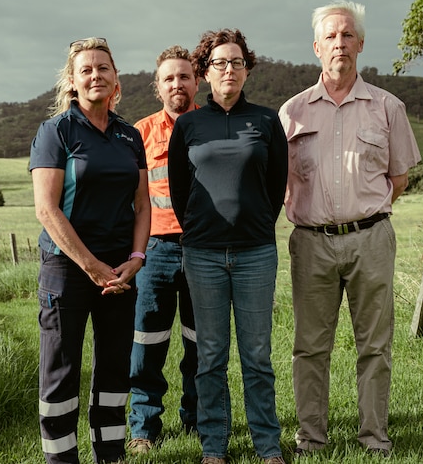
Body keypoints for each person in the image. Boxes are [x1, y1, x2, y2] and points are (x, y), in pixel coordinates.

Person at [278, 0, 421, 458]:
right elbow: (280, 183)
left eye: (347, 35)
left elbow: (398, 178)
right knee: (309, 349)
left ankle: (374, 439)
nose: (340, 43)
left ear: (360, 43)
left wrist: (362, 217)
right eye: (331, 37)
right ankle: (311, 440)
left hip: (371, 240)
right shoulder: (291, 112)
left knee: (375, 347)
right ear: (317, 47)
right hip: (311, 244)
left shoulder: (388, 107)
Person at [168, 28, 288, 464]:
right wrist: (200, 232)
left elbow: (276, 186)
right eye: (220, 62)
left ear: (247, 68)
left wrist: (254, 226)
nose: (229, 69)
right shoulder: (188, 125)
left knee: (257, 355)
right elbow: (181, 191)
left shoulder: (267, 121)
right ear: (205, 71)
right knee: (211, 356)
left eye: (237, 62)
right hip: (202, 255)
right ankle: (213, 446)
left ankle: (267, 445)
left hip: (256, 253)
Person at [29, 36, 150, 464]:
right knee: (61, 374)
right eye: (86, 70)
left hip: (119, 272)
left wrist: (135, 259)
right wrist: (92, 266)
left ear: (116, 79)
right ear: (73, 81)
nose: (95, 75)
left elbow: (142, 203)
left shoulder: (129, 136)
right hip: (67, 269)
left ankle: (111, 457)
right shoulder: (56, 131)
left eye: (103, 68)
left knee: (116, 369)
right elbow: (46, 209)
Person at [127, 45, 200, 455]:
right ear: (158, 87)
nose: (177, 84)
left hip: (203, 251)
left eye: (184, 76)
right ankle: (144, 428)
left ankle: (196, 421)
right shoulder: (140, 133)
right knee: (147, 343)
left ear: (196, 81)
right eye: (169, 78)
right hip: (155, 250)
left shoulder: (210, 126)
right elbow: (132, 198)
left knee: (200, 344)